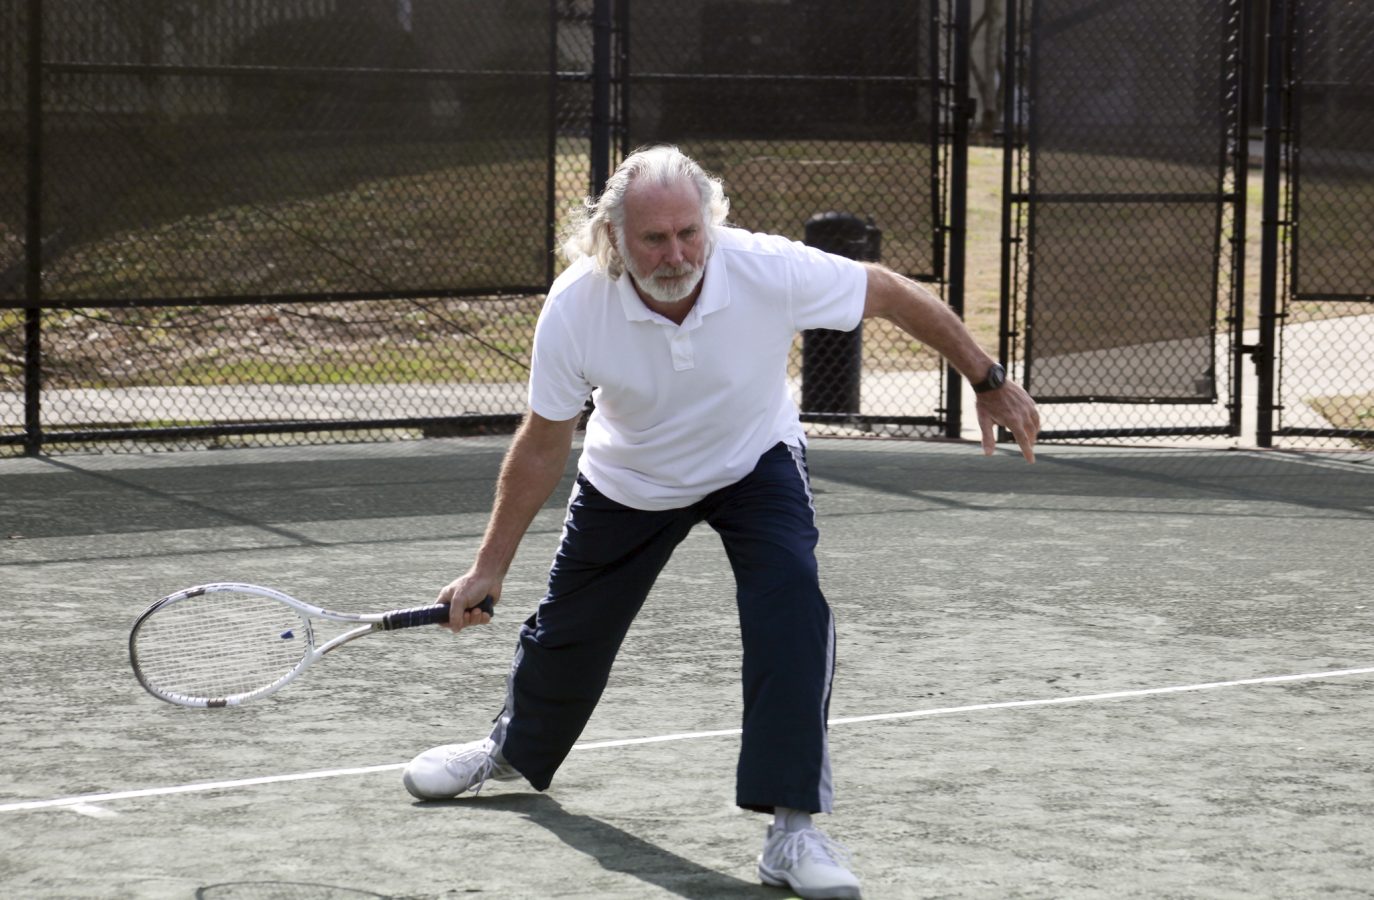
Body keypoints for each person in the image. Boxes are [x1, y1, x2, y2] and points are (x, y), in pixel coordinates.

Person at [403, 145, 1039, 900]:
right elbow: (544, 443)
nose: (675, 254)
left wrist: (987, 377)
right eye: (653, 239)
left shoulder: (766, 268)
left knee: (790, 605)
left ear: (712, 224)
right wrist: (489, 567)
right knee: (570, 630)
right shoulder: (577, 306)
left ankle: (793, 831)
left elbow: (892, 292)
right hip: (630, 477)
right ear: (612, 239)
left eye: (688, 233)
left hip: (752, 463)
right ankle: (508, 753)